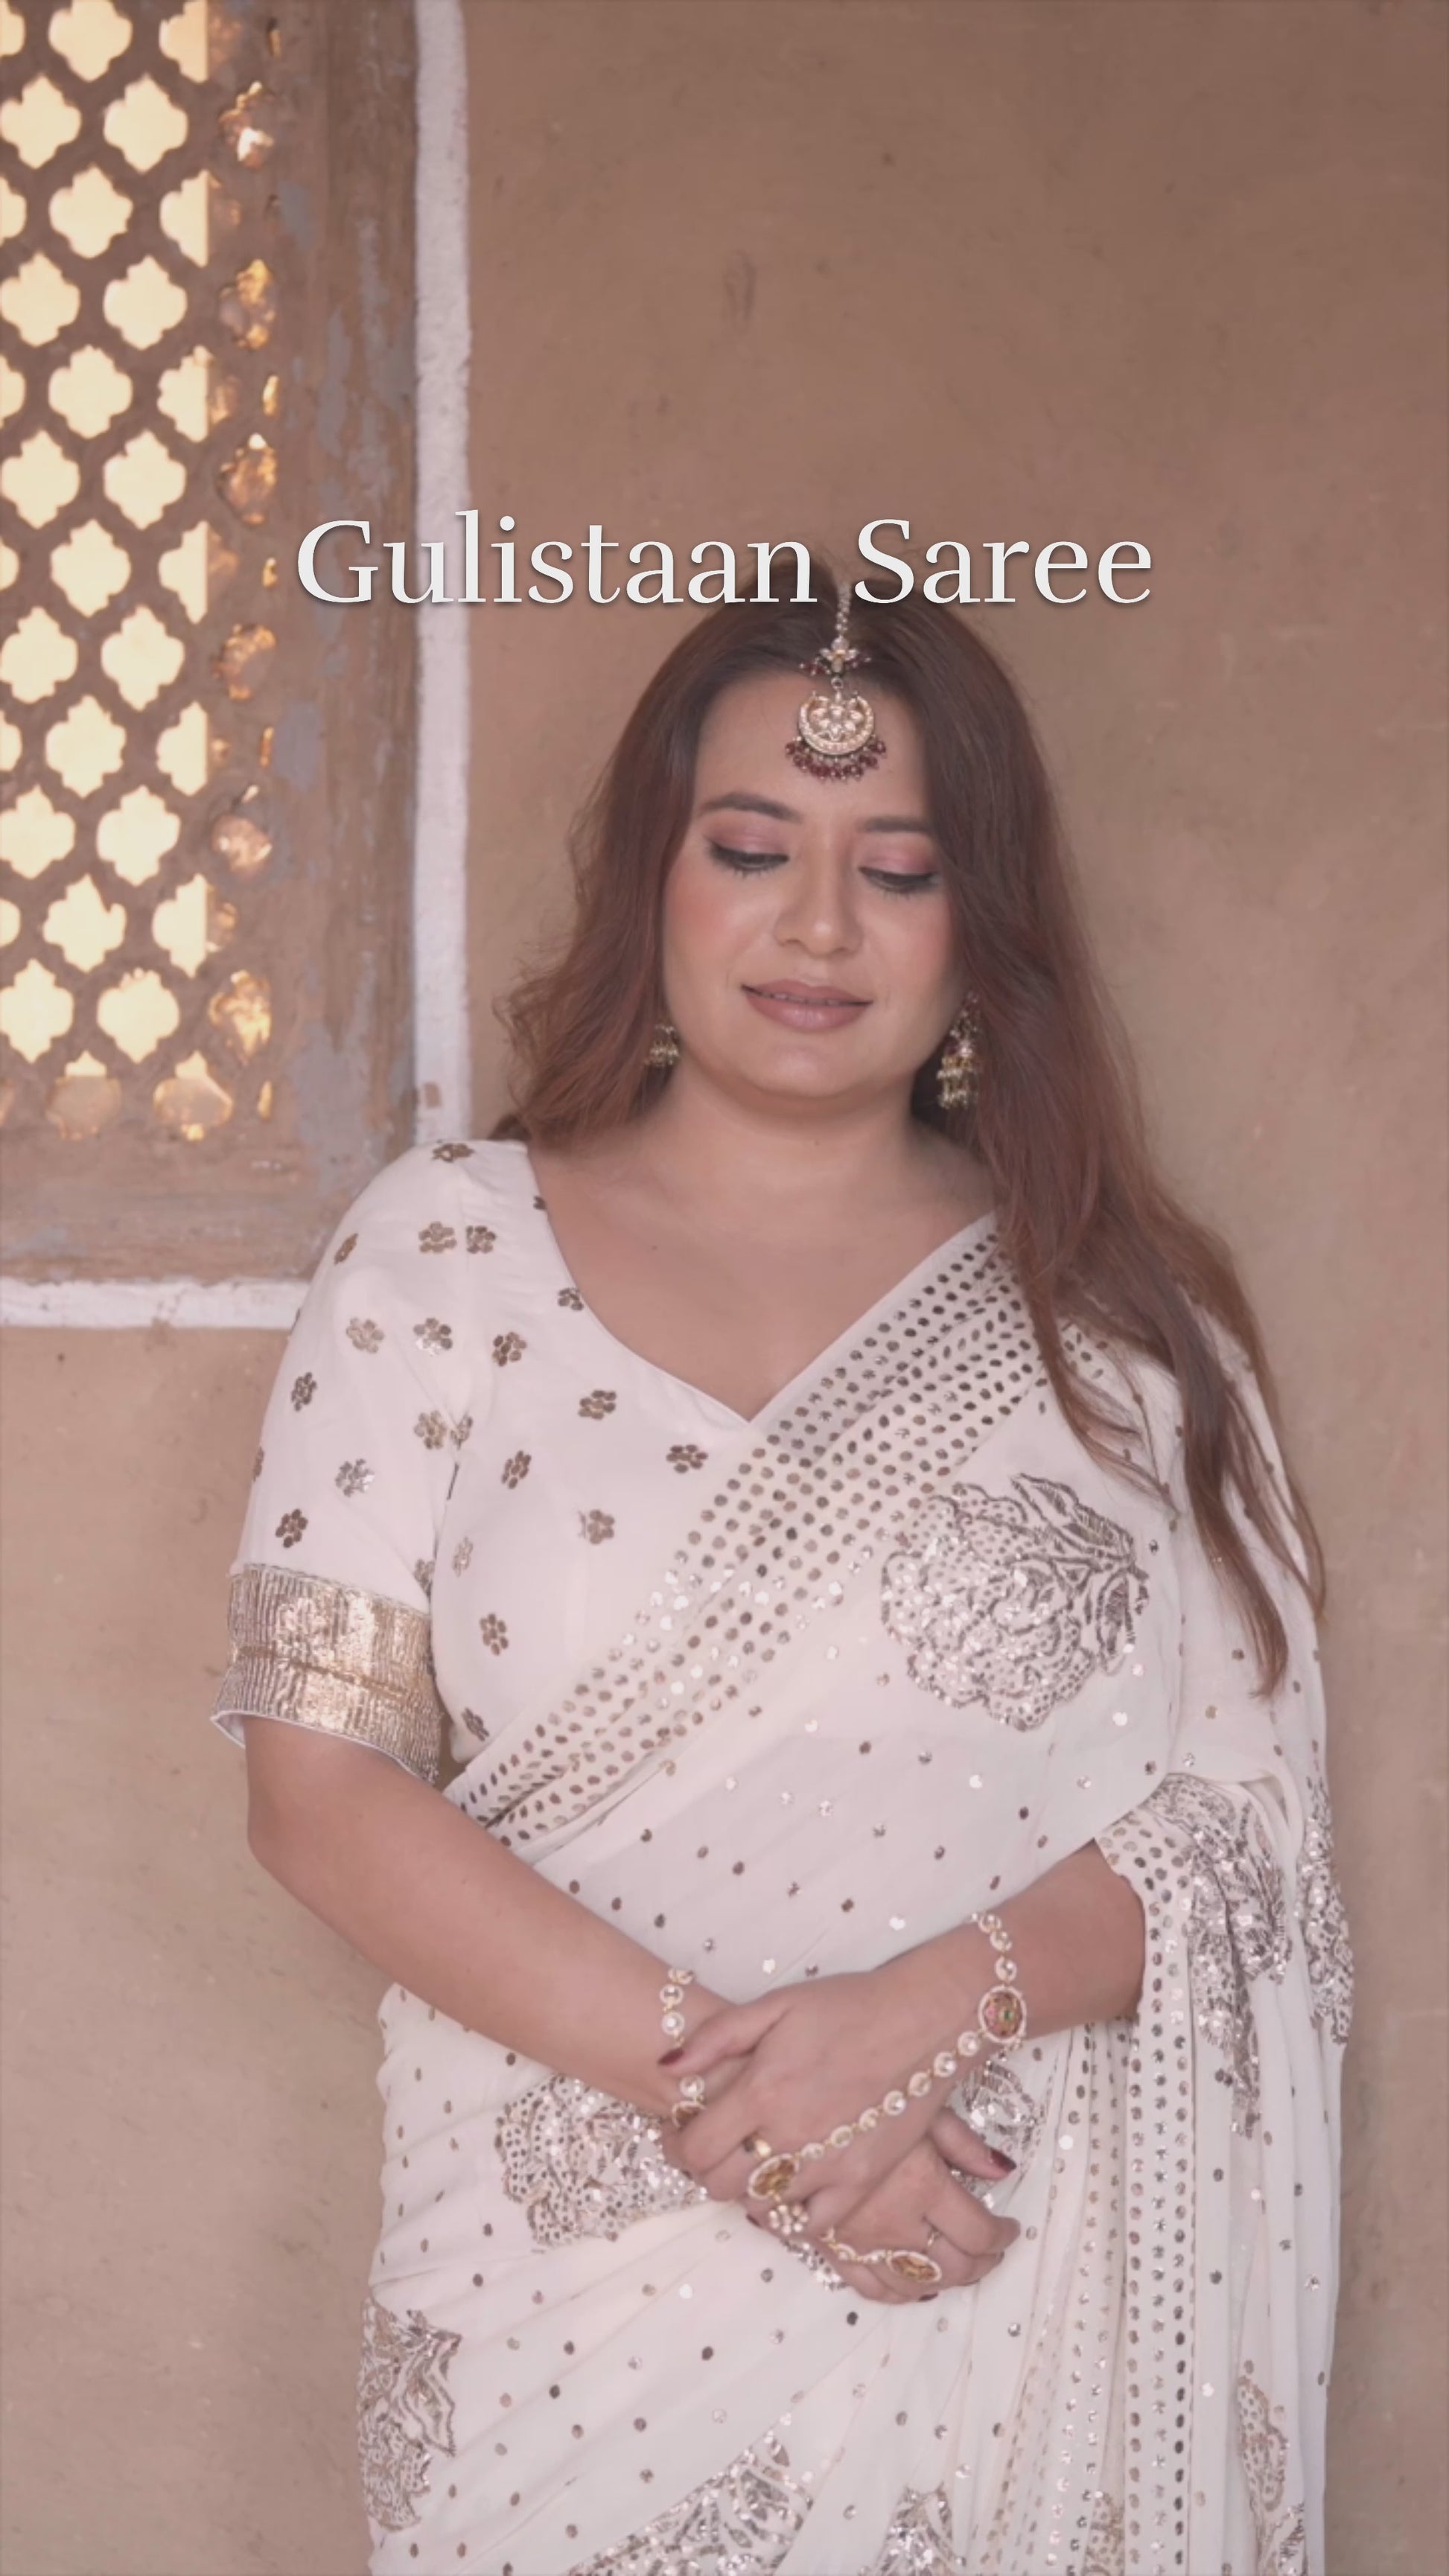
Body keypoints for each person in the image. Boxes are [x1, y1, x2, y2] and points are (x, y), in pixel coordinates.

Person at [212, 570, 1352, 2575]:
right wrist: (777, 2110)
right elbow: (319, 1787)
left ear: (981, 929)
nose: (817, 924)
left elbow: (1245, 1834)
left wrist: (920, 2010)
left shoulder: (1116, 1331)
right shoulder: (446, 1251)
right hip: (561, 2320)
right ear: (651, 885)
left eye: (895, 870)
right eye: (751, 850)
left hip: (996, 2263)